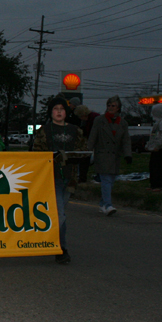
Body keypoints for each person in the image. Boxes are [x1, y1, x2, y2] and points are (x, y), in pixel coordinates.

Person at [32, 97, 86, 265]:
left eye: (62, 109)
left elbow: (81, 151)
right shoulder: (44, 131)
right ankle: (61, 248)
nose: (59, 111)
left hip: (69, 179)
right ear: (51, 112)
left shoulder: (75, 130)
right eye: (55, 109)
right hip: (51, 178)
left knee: (61, 213)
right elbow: (37, 153)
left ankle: (57, 243)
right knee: (60, 215)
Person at [87, 95, 131, 215]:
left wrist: (128, 154)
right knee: (106, 179)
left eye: (113, 106)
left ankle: (103, 204)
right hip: (102, 154)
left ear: (118, 108)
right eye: (109, 105)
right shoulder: (99, 120)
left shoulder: (123, 123)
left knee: (110, 181)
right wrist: (87, 152)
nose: (111, 108)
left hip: (115, 156)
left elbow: (126, 140)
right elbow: (93, 136)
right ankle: (108, 205)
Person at [146, 103, 162, 191]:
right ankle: (153, 184)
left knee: (158, 166)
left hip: (161, 148)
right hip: (157, 147)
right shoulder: (159, 122)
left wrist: (158, 145)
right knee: (153, 165)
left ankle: (160, 185)